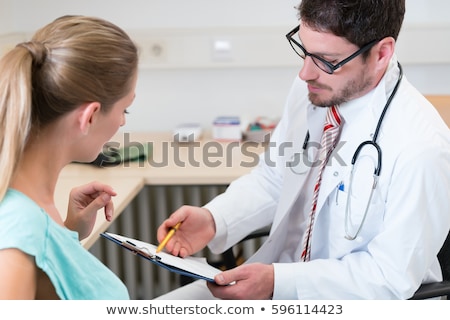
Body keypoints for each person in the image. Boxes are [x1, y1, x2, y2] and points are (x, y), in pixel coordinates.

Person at [156, 0, 450, 300]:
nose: (305, 73)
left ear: (381, 54)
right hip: (282, 279)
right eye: (305, 51)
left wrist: (278, 282)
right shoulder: (314, 90)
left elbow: (389, 277)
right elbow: (274, 179)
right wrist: (215, 219)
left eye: (325, 59)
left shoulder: (422, 148)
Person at [0, 15, 138, 299]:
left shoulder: (32, 206)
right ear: (88, 117)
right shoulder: (18, 232)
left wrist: (68, 232)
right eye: (125, 110)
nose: (122, 123)